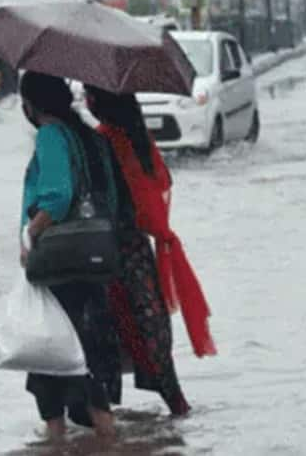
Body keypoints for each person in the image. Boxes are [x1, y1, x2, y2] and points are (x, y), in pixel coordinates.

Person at [86, 85, 217, 416]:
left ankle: (102, 427)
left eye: (90, 94)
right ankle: (177, 408)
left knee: (111, 335)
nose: (86, 100)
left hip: (111, 252)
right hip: (139, 249)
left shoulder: (104, 141)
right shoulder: (140, 139)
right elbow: (159, 185)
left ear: (100, 103)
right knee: (151, 330)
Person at [19, 71, 121, 441]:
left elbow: (58, 197)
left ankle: (56, 442)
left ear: (30, 104)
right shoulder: (90, 136)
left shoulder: (50, 136)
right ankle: (110, 441)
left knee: (52, 356)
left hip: (61, 262)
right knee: (87, 354)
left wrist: (30, 233)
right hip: (95, 257)